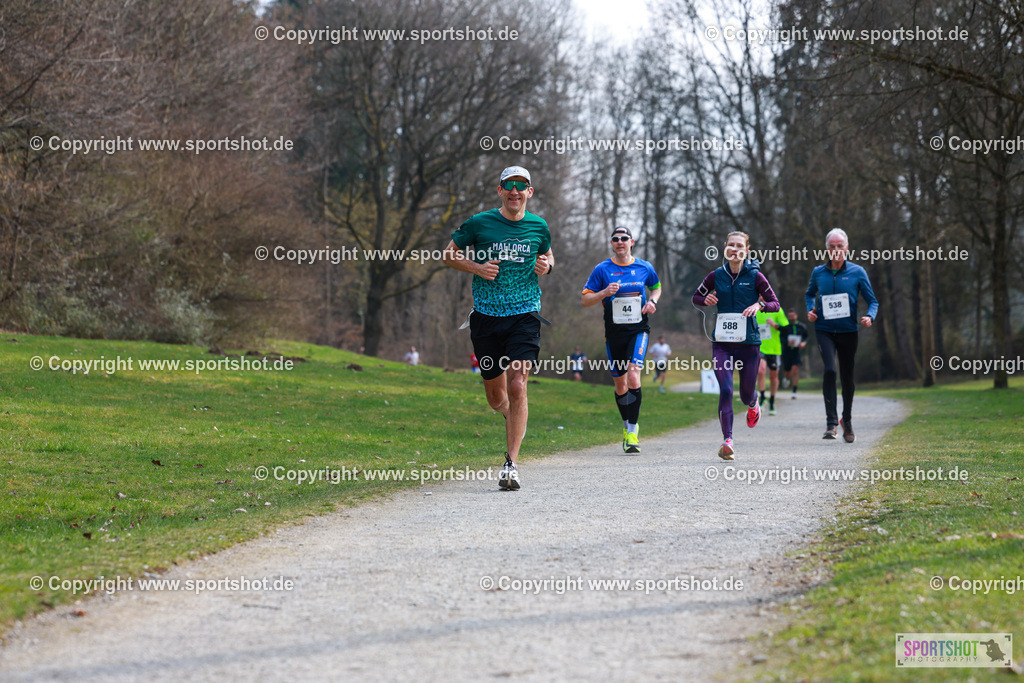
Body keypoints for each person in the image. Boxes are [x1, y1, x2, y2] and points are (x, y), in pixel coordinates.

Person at [443, 166, 554, 490]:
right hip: (487, 317)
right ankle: (511, 416)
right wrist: (476, 267)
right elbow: (448, 255)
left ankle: (511, 465)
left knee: (519, 385)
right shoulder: (480, 223)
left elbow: (548, 256)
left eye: (521, 185)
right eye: (509, 185)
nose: (515, 191)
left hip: (525, 314)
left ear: (529, 192)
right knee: (496, 398)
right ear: (500, 190)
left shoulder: (538, 225)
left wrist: (547, 266)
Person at [693, 231, 781, 460]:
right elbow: (696, 297)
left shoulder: (756, 276)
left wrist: (759, 306)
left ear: (747, 250)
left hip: (748, 343)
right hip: (722, 343)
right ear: (725, 248)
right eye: (731, 245)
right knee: (725, 389)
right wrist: (706, 299)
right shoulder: (715, 276)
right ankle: (728, 440)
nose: (734, 249)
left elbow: (775, 304)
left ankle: (753, 402)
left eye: (739, 246)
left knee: (744, 394)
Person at [582, 226, 661, 454]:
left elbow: (656, 287)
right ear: (612, 243)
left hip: (639, 330)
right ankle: (626, 426)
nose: (620, 242)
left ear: (631, 242)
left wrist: (652, 302)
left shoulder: (644, 267)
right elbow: (585, 300)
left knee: (634, 374)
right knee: (620, 383)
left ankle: (633, 432)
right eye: (615, 239)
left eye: (624, 238)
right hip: (614, 333)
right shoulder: (602, 269)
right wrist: (604, 293)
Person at [805, 228, 878, 442]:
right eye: (832, 246)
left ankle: (847, 419)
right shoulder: (818, 272)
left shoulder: (857, 272)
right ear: (826, 249)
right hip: (824, 330)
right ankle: (831, 423)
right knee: (830, 370)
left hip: (848, 331)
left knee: (847, 376)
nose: (836, 250)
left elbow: (873, 301)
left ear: (847, 248)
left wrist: (870, 316)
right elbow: (809, 294)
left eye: (840, 246)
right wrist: (810, 310)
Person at [755, 302, 788, 415]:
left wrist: (775, 325)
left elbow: (786, 328)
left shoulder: (777, 309)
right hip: (760, 347)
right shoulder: (755, 309)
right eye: (760, 295)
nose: (761, 297)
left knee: (773, 376)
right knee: (761, 370)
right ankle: (762, 397)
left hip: (774, 349)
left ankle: (772, 400)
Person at [779, 310, 809, 398]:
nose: (791, 318)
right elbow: (781, 338)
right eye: (790, 316)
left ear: (796, 316)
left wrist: (803, 343)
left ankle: (794, 392)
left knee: (795, 370)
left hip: (797, 352)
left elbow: (806, 337)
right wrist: (787, 342)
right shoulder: (785, 328)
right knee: (788, 371)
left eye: (793, 316)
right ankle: (787, 378)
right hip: (787, 352)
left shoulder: (802, 327)